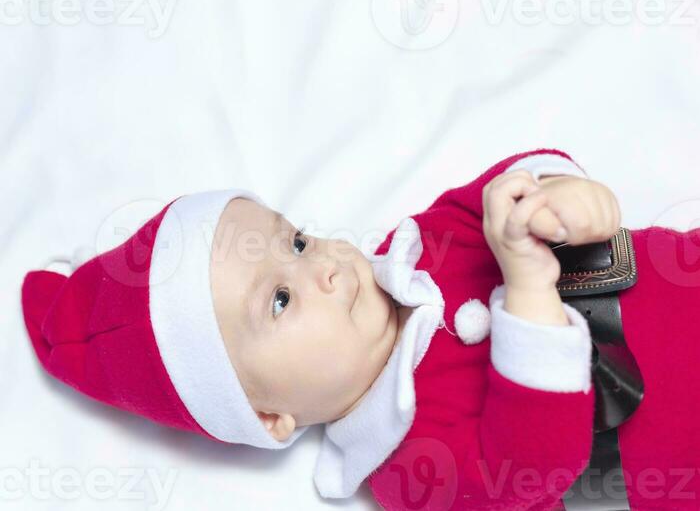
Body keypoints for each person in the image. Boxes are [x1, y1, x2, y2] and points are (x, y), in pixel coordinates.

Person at [21, 148, 699, 509]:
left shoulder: (421, 247)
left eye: (299, 241)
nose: (324, 270)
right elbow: (533, 469)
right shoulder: (407, 465)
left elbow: (492, 192)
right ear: (270, 415)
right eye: (280, 301)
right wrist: (526, 291)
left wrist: (552, 192)